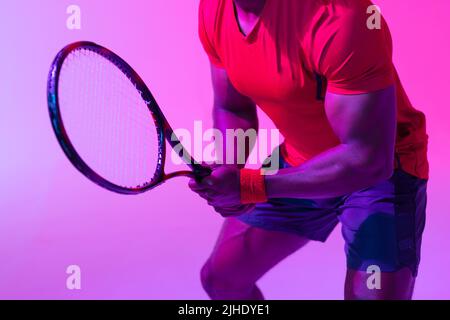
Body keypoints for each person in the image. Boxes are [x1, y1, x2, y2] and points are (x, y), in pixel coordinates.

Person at [189, 0, 429, 300]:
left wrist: (251, 187)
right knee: (221, 280)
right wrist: (230, 169)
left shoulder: (343, 18)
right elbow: (232, 106)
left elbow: (367, 159)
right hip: (300, 160)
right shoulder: (215, 10)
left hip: (383, 171)